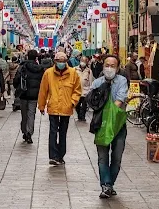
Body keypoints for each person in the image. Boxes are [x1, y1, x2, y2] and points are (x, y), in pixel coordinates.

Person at [90, 55, 129, 199]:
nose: (109, 68)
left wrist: (108, 113)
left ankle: (110, 183)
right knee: (102, 157)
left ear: (118, 68)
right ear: (103, 66)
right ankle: (106, 185)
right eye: (107, 65)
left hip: (118, 125)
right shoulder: (97, 83)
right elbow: (92, 101)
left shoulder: (122, 81)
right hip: (101, 125)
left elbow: (120, 98)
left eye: (113, 65)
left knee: (117, 157)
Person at [37, 51, 82, 165]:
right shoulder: (48, 73)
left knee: (63, 132)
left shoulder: (73, 73)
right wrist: (41, 105)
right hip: (53, 107)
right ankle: (53, 156)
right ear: (55, 61)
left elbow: (77, 90)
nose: (61, 63)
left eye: (63, 61)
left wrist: (72, 103)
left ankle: (60, 155)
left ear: (66, 61)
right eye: (59, 61)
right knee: (53, 131)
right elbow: (43, 90)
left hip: (66, 108)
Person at [14, 49, 46, 143]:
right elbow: (43, 82)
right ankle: (29, 132)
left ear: (27, 56)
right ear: (36, 57)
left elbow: (16, 80)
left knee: (24, 114)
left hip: (23, 94)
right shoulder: (40, 69)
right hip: (35, 95)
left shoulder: (22, 67)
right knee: (31, 114)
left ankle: (24, 131)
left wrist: (17, 88)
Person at [75, 55, 93, 122]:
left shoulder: (89, 71)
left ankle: (83, 117)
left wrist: (90, 90)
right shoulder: (75, 69)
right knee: (77, 105)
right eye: (82, 61)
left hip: (86, 91)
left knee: (84, 105)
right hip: (77, 91)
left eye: (84, 61)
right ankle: (79, 115)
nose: (83, 62)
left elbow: (91, 81)